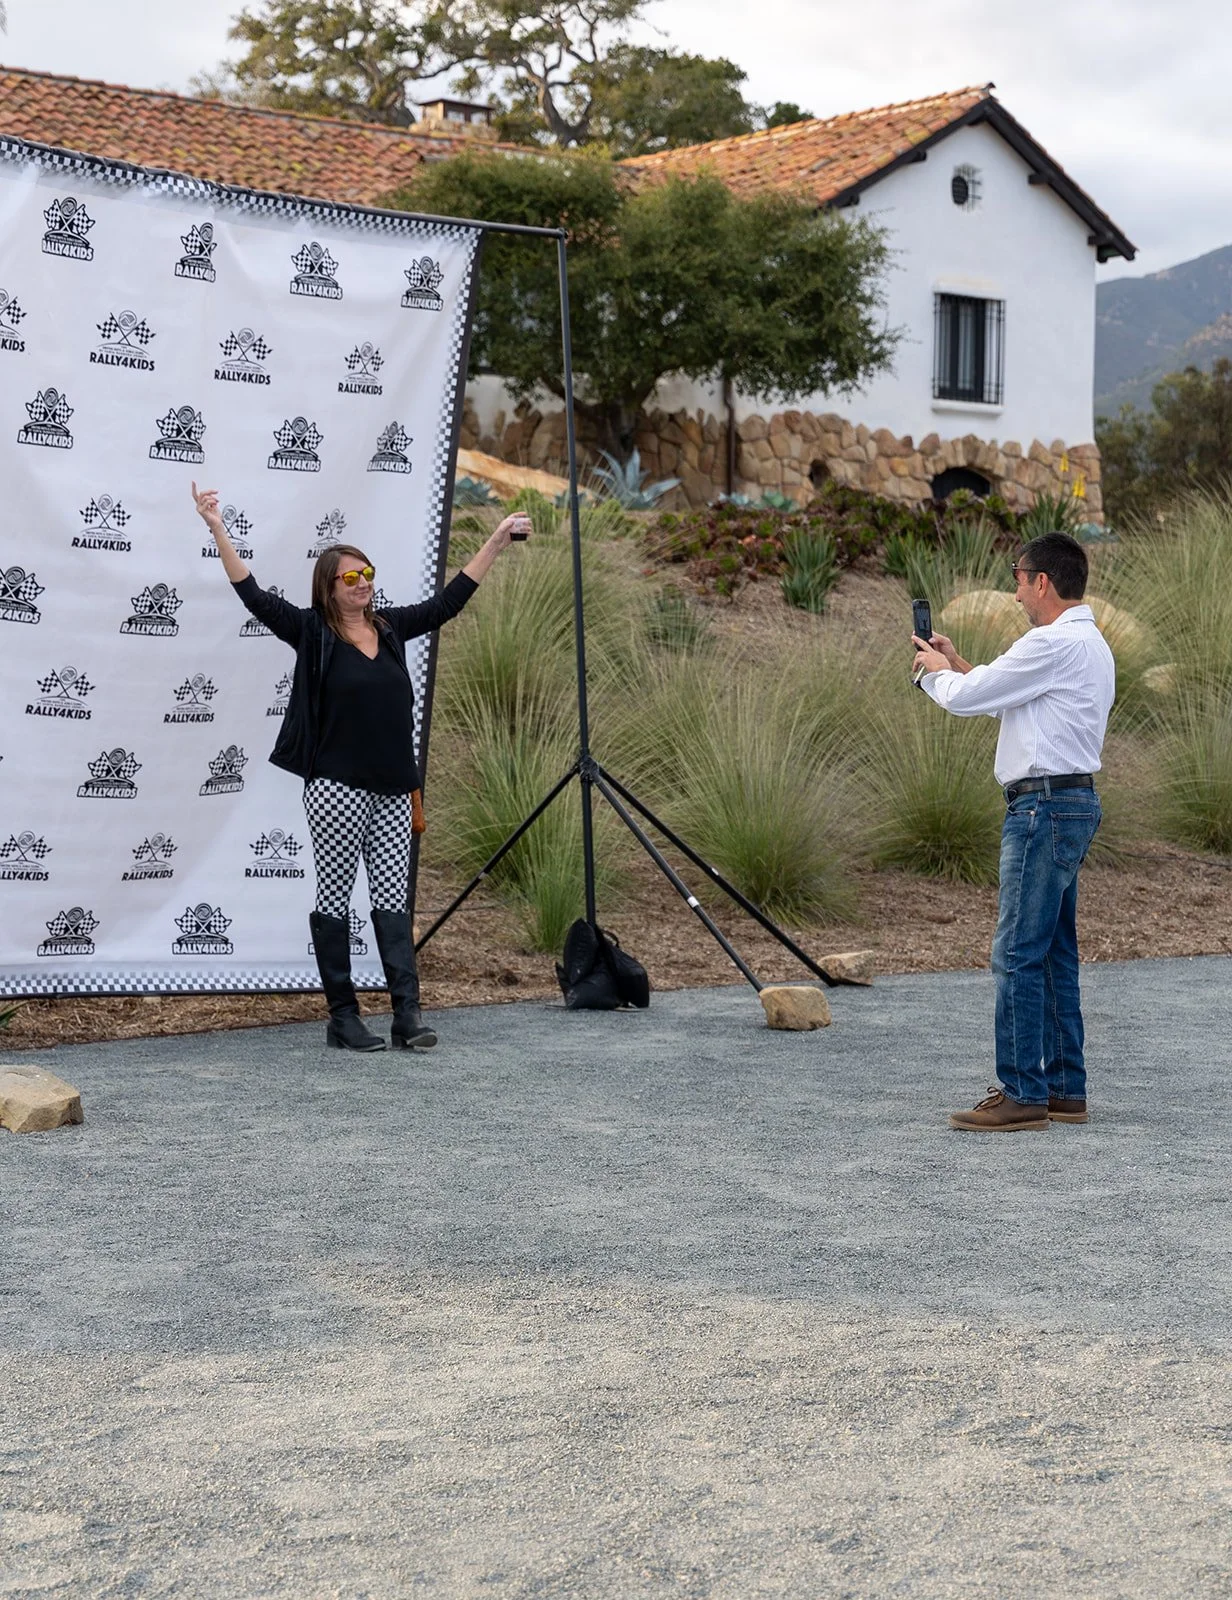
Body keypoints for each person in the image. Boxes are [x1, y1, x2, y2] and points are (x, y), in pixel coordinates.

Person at [191, 481, 530, 1053]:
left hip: (396, 790)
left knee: (393, 899)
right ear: (329, 586)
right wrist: (216, 525)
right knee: (335, 897)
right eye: (351, 576)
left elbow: (447, 603)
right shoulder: (311, 631)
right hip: (336, 790)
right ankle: (343, 1018)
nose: (364, 582)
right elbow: (252, 594)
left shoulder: (392, 630)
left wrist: (496, 540)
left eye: (367, 573)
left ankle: (407, 1015)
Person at [911, 531, 1115, 1132]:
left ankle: (1022, 1092)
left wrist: (931, 674)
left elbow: (969, 699)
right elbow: (1015, 698)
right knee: (1054, 951)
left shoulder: (1049, 642)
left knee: (1017, 953)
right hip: (1072, 802)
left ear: (1043, 582)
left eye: (1018, 576)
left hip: (1040, 809)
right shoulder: (1089, 644)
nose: (1015, 588)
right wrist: (961, 664)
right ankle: (1062, 1089)